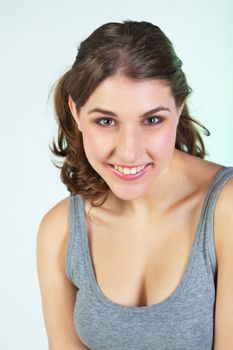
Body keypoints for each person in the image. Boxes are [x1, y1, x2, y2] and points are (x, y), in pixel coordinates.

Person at [36, 20, 233, 350]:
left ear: (178, 109)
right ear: (76, 111)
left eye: (152, 120)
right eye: (107, 121)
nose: (129, 151)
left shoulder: (225, 211)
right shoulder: (60, 232)